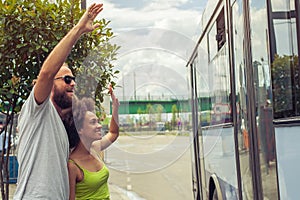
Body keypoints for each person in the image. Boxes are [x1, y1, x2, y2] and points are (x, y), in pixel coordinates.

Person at [13, 3, 104, 199]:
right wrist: (79, 29)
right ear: (50, 84)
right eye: (67, 79)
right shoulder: (38, 111)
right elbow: (47, 73)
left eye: (74, 80)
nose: (72, 84)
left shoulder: (62, 125)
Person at [63, 86, 119, 200]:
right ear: (80, 129)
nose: (99, 126)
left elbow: (113, 133)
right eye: (93, 122)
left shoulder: (95, 148)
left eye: (98, 122)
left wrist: (115, 108)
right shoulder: (72, 166)